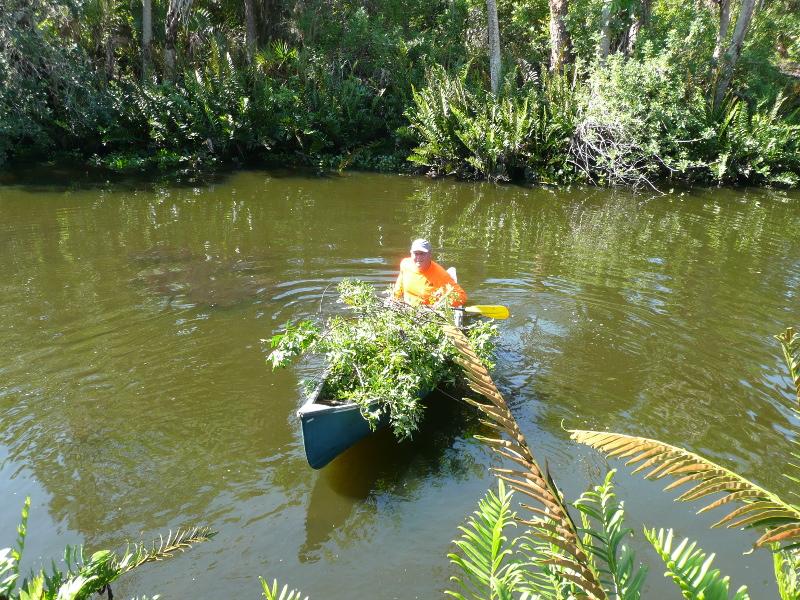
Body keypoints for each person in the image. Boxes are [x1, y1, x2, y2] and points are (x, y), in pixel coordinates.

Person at [393, 238, 467, 307]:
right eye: (416, 253)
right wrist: (392, 299)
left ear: (430, 254)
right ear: (411, 254)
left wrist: (439, 305)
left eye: (422, 253)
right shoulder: (405, 264)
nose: (419, 258)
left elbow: (461, 296)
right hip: (407, 309)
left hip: (430, 313)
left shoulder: (439, 274)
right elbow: (400, 284)